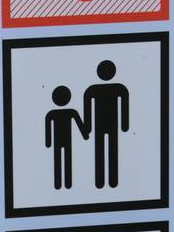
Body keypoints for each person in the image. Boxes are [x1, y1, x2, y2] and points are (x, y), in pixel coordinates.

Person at [82, 60, 129, 188]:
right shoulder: (116, 88)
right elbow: (87, 107)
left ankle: (108, 181)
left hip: (106, 125)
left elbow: (124, 105)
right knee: (105, 149)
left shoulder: (94, 89)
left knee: (108, 149)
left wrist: (87, 128)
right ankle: (102, 181)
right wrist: (124, 125)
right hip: (105, 125)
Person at [44, 85, 86, 189]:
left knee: (63, 158)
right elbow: (48, 127)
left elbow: (79, 123)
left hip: (62, 140)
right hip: (63, 140)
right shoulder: (64, 113)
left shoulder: (55, 113)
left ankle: (65, 183)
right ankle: (63, 183)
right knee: (62, 158)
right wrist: (85, 134)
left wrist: (48, 142)